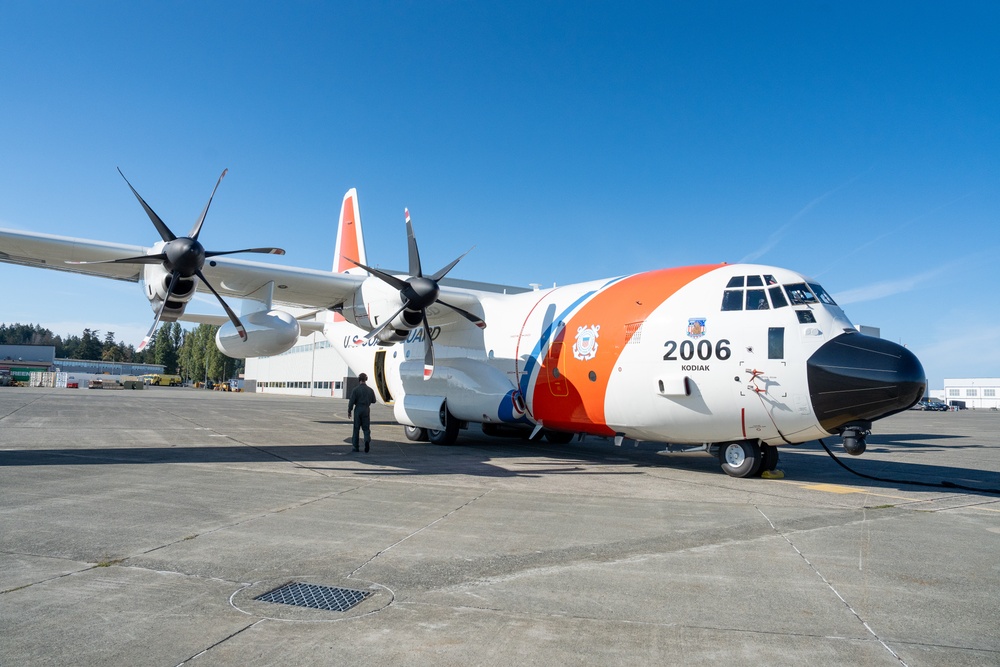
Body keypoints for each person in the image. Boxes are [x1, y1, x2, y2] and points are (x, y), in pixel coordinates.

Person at [347, 373, 377, 452]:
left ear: (359, 379)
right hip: (366, 409)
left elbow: (351, 401)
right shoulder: (370, 390)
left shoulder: (355, 390)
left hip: (358, 410)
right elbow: (374, 401)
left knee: (356, 428)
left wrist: (349, 410)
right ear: (366, 379)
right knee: (366, 429)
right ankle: (366, 441)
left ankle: (355, 446)